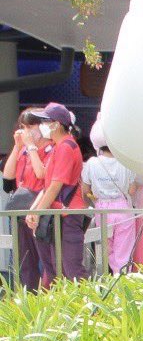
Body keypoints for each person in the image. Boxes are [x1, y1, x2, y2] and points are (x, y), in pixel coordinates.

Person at [24, 103, 88, 285]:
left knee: (71, 269)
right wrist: (35, 210)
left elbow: (55, 186)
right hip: (60, 214)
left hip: (68, 214)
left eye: (45, 121)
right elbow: (48, 184)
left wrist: (37, 212)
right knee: (58, 269)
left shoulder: (66, 147)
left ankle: (89, 302)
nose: (41, 125)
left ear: (57, 124)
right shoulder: (59, 146)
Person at [2, 108, 51, 289]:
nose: (26, 131)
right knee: (25, 260)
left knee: (46, 261)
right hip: (21, 210)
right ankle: (28, 295)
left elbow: (41, 174)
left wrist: (31, 147)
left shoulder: (50, 149)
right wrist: (17, 147)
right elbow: (8, 177)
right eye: (23, 127)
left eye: (30, 126)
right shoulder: (23, 150)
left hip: (41, 211)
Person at [82, 119, 137, 273]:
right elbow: (132, 190)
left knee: (105, 250)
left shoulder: (92, 163)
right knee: (124, 251)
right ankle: (121, 278)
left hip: (102, 210)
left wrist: (93, 198)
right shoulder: (126, 162)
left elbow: (85, 189)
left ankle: (109, 277)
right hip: (123, 209)